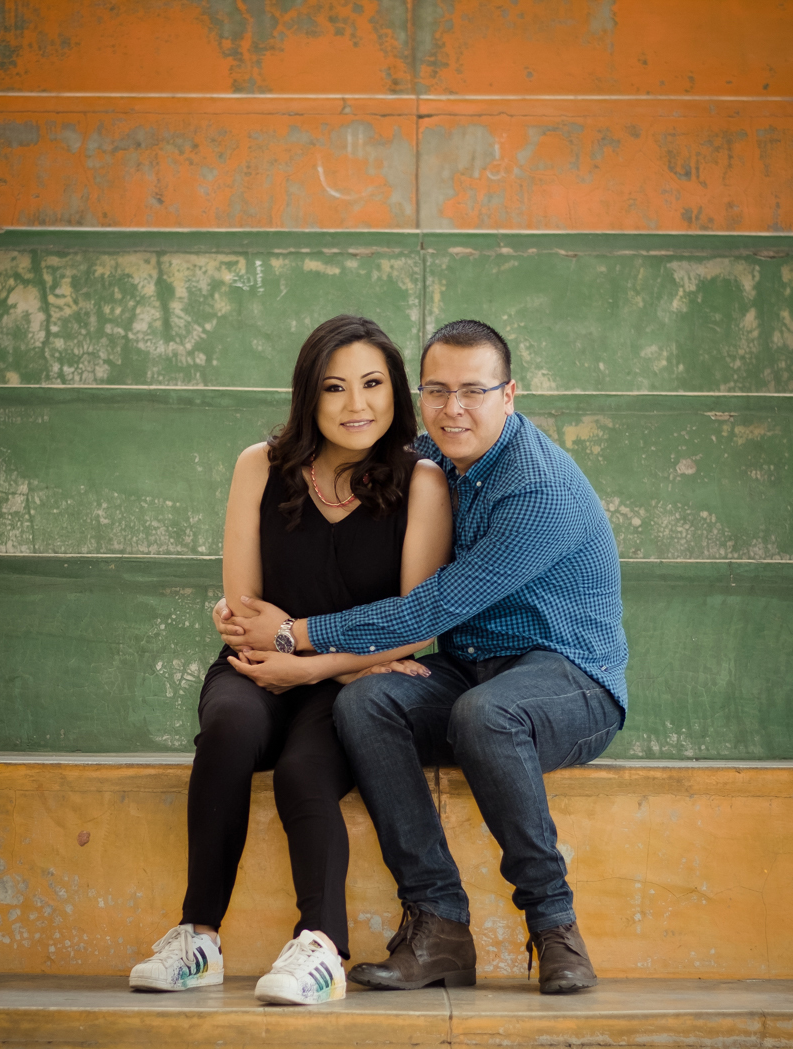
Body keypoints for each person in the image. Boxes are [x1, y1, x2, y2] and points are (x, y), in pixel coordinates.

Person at [212, 319, 628, 996]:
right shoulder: (434, 454)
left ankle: (555, 924)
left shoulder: (535, 489)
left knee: (487, 715)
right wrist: (236, 608)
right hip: (471, 673)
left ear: (509, 394)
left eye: (473, 391)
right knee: (370, 700)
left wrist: (292, 634)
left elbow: (426, 612)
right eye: (436, 390)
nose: (452, 408)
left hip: (569, 677)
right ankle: (437, 924)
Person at [129, 315, 452, 1003]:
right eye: (335, 387)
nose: (356, 404)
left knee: (304, 771)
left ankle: (321, 951)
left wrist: (312, 662)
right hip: (257, 668)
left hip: (342, 684)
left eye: (372, 384)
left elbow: (413, 624)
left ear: (396, 392)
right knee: (229, 729)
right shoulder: (260, 465)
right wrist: (277, 647)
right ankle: (199, 938)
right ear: (309, 394)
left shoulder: (421, 481)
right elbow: (244, 607)